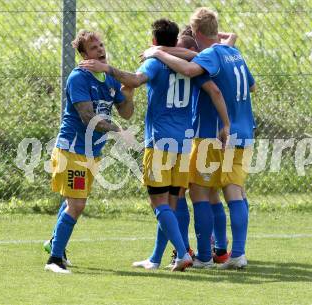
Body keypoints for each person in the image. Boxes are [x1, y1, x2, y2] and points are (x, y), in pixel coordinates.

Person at [79, 18, 230, 271]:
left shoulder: (156, 61)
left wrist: (108, 69)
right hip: (183, 144)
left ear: (153, 42)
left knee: (158, 202)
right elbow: (195, 59)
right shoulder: (188, 63)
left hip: (160, 142)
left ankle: (183, 253)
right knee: (171, 203)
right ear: (174, 41)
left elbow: (137, 80)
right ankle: (156, 257)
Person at [142, 7, 256, 269]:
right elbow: (251, 86)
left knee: (200, 192)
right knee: (234, 191)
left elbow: (192, 70)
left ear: (194, 32)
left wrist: (158, 52)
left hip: (214, 135)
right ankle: (236, 253)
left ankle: (203, 255)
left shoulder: (211, 54)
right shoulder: (233, 53)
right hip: (245, 133)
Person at [44, 30, 135, 274]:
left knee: (72, 202)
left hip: (92, 151)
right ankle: (54, 260)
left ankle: (55, 244)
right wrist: (119, 131)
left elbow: (126, 112)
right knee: (77, 204)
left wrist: (129, 91)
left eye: (102, 45)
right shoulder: (78, 78)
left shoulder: (109, 78)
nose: (101, 50)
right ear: (84, 55)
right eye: (94, 48)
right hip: (73, 150)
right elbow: (87, 117)